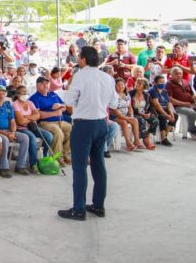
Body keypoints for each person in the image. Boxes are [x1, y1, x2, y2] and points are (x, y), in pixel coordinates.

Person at [58, 46, 118, 221]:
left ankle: (79, 208)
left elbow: (69, 101)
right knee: (99, 165)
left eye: (79, 55)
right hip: (101, 123)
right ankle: (99, 205)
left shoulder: (80, 76)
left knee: (79, 167)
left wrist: (71, 88)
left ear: (83, 58)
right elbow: (114, 102)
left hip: (84, 125)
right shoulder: (107, 77)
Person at [0, 86, 30, 177]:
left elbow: (12, 121)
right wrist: (6, 134)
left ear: (6, 95)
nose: (1, 96)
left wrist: (12, 132)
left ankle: (20, 165)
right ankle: (4, 168)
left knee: (25, 137)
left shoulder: (8, 106)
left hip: (8, 131)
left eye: (3, 94)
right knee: (4, 139)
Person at [29, 77, 72, 167]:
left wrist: (60, 105)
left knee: (71, 129)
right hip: (45, 122)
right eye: (43, 83)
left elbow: (64, 106)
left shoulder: (53, 94)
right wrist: (54, 113)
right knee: (58, 132)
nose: (46, 85)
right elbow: (38, 114)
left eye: (47, 83)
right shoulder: (34, 98)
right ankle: (57, 156)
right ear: (37, 85)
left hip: (60, 120)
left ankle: (65, 153)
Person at [167, 66, 196, 139]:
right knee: (192, 113)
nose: (179, 75)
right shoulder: (169, 84)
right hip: (178, 106)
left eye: (180, 73)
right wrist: (184, 104)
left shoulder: (185, 82)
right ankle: (192, 130)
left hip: (191, 104)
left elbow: (192, 94)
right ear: (172, 75)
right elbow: (170, 99)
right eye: (176, 74)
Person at [110, 78, 143, 151]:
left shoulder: (127, 95)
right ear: (114, 86)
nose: (121, 86)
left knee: (134, 120)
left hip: (125, 115)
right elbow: (114, 110)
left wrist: (131, 115)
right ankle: (128, 143)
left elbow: (129, 106)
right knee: (124, 122)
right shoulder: (113, 95)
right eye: (118, 85)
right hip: (114, 116)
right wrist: (126, 118)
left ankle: (136, 141)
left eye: (122, 85)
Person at [148, 74, 176, 147]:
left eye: (164, 82)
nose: (162, 84)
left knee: (175, 116)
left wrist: (171, 113)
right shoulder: (152, 91)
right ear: (155, 83)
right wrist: (166, 115)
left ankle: (165, 134)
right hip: (155, 110)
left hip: (164, 108)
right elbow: (157, 105)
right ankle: (163, 139)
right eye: (160, 82)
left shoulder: (164, 91)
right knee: (163, 117)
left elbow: (168, 103)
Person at [130, 78, 157, 150]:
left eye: (140, 83)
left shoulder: (147, 95)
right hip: (135, 113)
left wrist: (149, 113)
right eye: (137, 82)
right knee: (142, 120)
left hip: (145, 113)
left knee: (155, 121)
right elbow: (130, 108)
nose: (137, 84)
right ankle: (146, 141)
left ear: (144, 86)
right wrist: (142, 115)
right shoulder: (130, 94)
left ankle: (146, 135)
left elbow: (152, 106)